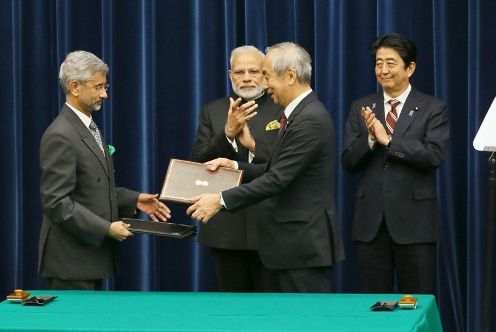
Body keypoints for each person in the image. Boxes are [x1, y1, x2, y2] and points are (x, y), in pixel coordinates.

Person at [187, 42, 344, 293]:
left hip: (300, 243)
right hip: (287, 243)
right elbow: (273, 169)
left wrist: (220, 200)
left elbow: (278, 179)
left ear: (290, 76)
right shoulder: (299, 114)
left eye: (266, 75)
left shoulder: (309, 118)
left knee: (302, 320)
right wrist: (234, 164)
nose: (265, 84)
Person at [38, 50, 171, 290]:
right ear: (75, 87)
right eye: (98, 87)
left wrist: (135, 200)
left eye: (105, 86)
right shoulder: (60, 135)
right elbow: (56, 202)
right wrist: (106, 229)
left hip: (89, 258)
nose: (105, 94)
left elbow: (93, 185)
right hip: (71, 264)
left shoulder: (86, 126)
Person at [342, 33, 450, 294]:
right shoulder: (362, 107)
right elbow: (348, 162)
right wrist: (370, 139)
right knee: (373, 304)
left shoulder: (432, 108)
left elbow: (433, 156)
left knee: (415, 300)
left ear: (409, 68)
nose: (383, 70)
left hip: (414, 224)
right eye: (379, 63)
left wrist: (388, 141)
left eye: (391, 63)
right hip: (371, 225)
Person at [191, 46, 282, 292]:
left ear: (265, 74)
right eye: (240, 72)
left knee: (270, 310)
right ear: (231, 75)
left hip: (270, 225)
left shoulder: (282, 108)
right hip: (225, 228)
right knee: (232, 309)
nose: (247, 78)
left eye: (254, 71)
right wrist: (228, 134)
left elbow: (286, 164)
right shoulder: (214, 110)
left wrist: (253, 144)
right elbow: (199, 161)